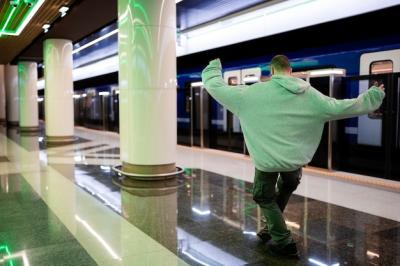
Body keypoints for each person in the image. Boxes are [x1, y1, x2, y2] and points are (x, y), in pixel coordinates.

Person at [201, 55, 385, 258]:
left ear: (272, 71)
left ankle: (283, 240)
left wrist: (213, 67)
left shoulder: (250, 93)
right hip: (295, 163)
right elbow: (344, 106)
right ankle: (270, 228)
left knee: (262, 196)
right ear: (290, 71)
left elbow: (216, 87)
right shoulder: (311, 95)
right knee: (286, 186)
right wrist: (374, 95)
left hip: (267, 162)